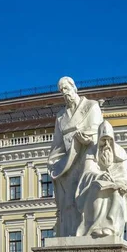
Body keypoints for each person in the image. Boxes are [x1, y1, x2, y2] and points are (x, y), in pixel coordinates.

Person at [47, 77, 103, 236]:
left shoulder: (91, 106)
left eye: (67, 88)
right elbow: (57, 144)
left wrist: (88, 137)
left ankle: (89, 230)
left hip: (88, 155)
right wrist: (54, 162)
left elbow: (99, 131)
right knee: (68, 201)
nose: (65, 93)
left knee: (87, 189)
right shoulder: (60, 116)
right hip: (68, 162)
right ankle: (70, 233)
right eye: (62, 91)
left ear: (74, 88)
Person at [75, 121, 127, 238]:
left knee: (115, 192)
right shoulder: (91, 152)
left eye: (109, 140)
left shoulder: (121, 153)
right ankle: (95, 226)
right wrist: (99, 176)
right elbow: (87, 173)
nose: (106, 144)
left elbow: (126, 176)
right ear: (99, 138)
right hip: (93, 189)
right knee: (97, 187)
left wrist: (122, 184)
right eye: (103, 140)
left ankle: (110, 227)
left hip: (117, 188)